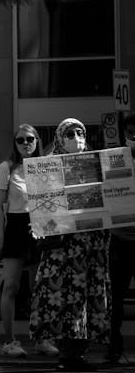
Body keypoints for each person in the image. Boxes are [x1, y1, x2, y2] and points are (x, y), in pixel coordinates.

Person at [29, 118, 111, 372]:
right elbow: (43, 207)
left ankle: (81, 353)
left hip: (90, 247)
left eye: (80, 132)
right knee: (63, 297)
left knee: (86, 297)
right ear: (59, 137)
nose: (76, 137)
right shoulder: (48, 168)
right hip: (61, 249)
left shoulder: (96, 165)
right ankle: (67, 353)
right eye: (70, 133)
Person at [0, 124, 58, 358]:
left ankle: (42, 339)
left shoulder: (44, 166)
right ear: (14, 144)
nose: (25, 143)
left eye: (30, 139)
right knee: (11, 286)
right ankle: (10, 341)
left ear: (37, 141)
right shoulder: (6, 167)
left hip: (41, 226)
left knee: (39, 288)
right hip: (16, 227)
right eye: (20, 140)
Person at [106, 112, 135, 364]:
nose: (134, 137)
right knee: (115, 298)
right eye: (130, 133)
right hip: (120, 240)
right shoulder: (114, 160)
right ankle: (114, 348)